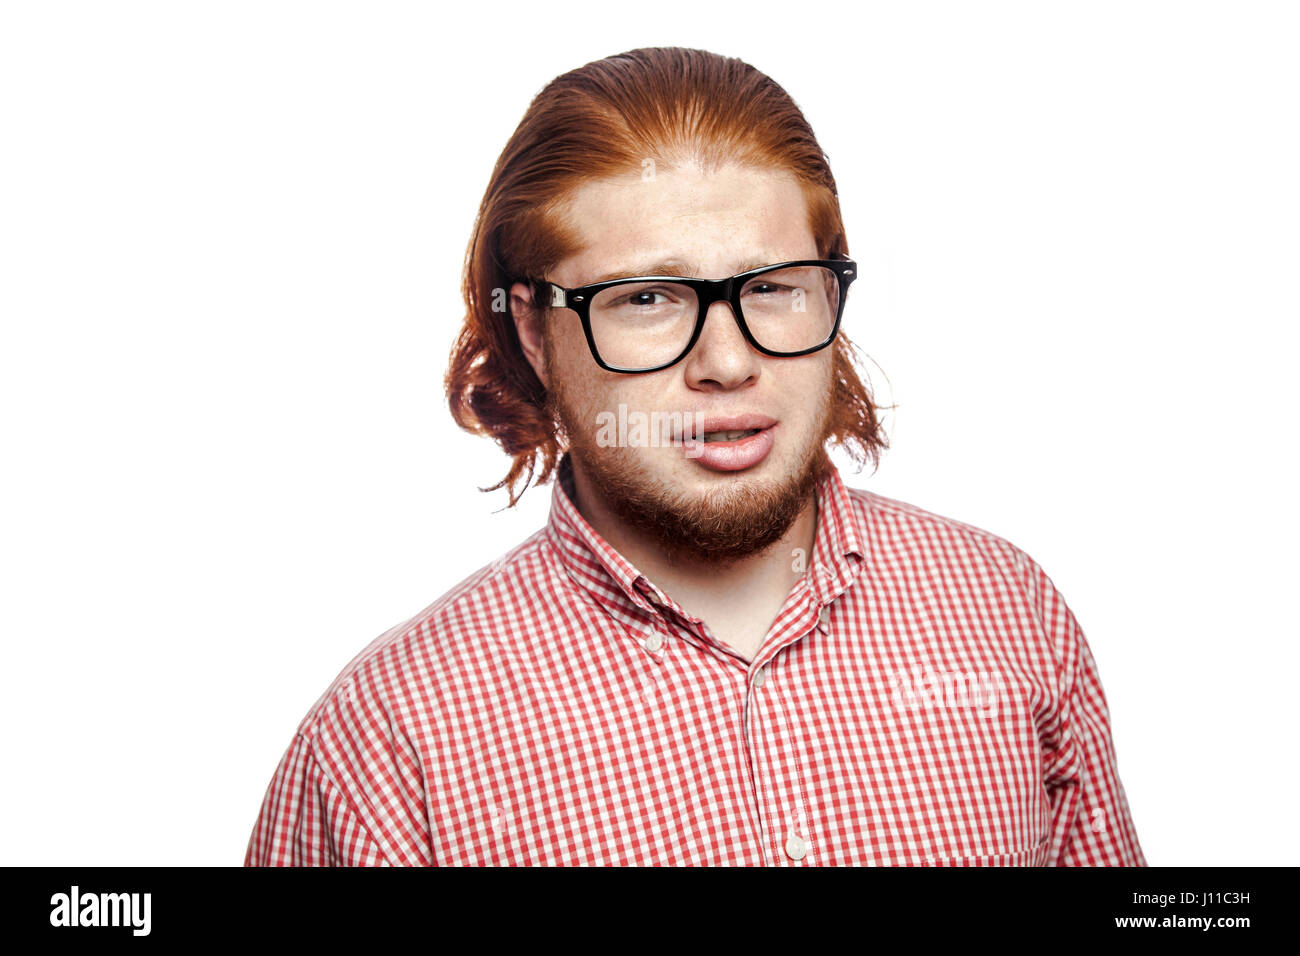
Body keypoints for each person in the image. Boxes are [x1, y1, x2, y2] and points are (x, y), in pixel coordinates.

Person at [244, 46, 1145, 866]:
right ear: (532, 328)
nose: (727, 363)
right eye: (647, 300)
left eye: (774, 288)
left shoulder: (1009, 613)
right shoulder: (389, 743)